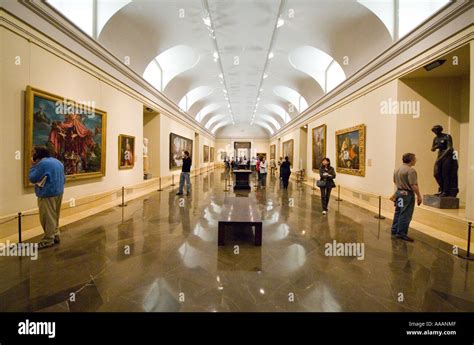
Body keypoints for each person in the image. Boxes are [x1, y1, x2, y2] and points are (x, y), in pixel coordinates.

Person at [28, 146, 65, 249]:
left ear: (38, 154)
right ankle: (55, 234)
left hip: (47, 193)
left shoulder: (42, 164)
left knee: (47, 217)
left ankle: (48, 240)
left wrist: (32, 166)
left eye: (33, 153)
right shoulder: (57, 162)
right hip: (59, 191)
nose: (32, 155)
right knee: (55, 216)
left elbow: (33, 178)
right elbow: (64, 177)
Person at [391, 153, 422, 242]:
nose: (416, 160)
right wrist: (419, 196)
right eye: (415, 159)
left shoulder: (397, 169)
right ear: (411, 160)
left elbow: (394, 180)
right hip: (407, 195)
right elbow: (413, 185)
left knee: (398, 211)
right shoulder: (411, 170)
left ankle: (395, 229)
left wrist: (400, 188)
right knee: (405, 214)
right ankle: (401, 233)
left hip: (399, 193)